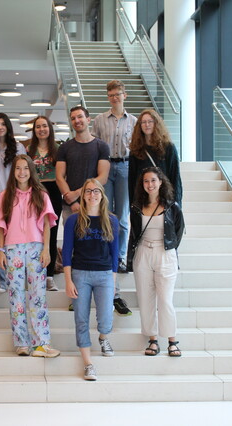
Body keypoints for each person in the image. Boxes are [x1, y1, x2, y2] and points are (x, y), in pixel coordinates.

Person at [0, 155, 60, 357]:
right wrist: (1, 251)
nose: (22, 172)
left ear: (31, 171)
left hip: (36, 248)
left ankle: (41, 344)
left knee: (38, 296)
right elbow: (1, 226)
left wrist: (46, 249)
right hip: (13, 249)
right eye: (18, 168)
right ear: (14, 172)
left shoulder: (41, 194)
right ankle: (22, 343)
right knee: (16, 297)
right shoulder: (6, 195)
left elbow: (47, 224)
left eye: (25, 168)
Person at [63, 179, 119, 381]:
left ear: (102, 195)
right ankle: (88, 364)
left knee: (105, 317)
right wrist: (68, 281)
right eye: (88, 191)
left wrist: (113, 282)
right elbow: (67, 254)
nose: (92, 194)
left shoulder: (111, 221)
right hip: (80, 274)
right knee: (81, 319)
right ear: (83, 195)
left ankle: (103, 338)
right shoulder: (73, 220)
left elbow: (115, 256)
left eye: (97, 191)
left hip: (104, 274)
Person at [127, 167, 184, 358]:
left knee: (166, 299)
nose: (149, 184)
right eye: (146, 181)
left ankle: (172, 340)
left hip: (165, 253)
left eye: (153, 180)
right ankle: (152, 339)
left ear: (160, 182)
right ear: (142, 185)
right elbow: (133, 234)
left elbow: (178, 231)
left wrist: (167, 248)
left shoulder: (172, 206)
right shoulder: (136, 207)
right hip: (143, 253)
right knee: (145, 298)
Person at [92, 80, 137, 317]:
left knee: (123, 216)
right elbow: (95, 146)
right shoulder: (100, 120)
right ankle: (105, 249)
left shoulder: (134, 121)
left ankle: (119, 256)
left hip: (127, 168)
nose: (114, 98)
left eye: (117, 94)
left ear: (124, 95)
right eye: (110, 94)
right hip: (107, 168)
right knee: (106, 214)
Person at [0, 112, 27, 293]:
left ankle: (9, 279)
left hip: (13, 201)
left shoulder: (18, 147)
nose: (0, 127)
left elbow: (24, 174)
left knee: (11, 242)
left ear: (8, 127)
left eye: (3, 124)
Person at [56, 106, 110, 223]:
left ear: (88, 119)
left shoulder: (101, 146)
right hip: (70, 206)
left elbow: (103, 178)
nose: (77, 121)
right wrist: (73, 201)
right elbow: (59, 177)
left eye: (80, 117)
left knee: (94, 240)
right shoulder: (64, 148)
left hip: (95, 204)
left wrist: (76, 194)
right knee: (71, 240)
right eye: (73, 118)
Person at [27, 116, 62, 291]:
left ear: (50, 128)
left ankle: (49, 276)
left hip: (53, 192)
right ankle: (34, 272)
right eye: (38, 126)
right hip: (34, 192)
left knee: (52, 232)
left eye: (44, 126)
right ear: (34, 130)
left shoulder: (58, 149)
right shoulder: (29, 150)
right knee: (34, 233)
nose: (41, 129)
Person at [128, 109, 182, 206]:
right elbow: (132, 180)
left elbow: (175, 176)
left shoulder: (168, 148)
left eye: (150, 121)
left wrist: (177, 203)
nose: (147, 125)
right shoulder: (135, 150)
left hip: (164, 197)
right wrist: (132, 205)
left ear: (156, 123)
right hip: (143, 198)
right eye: (143, 122)